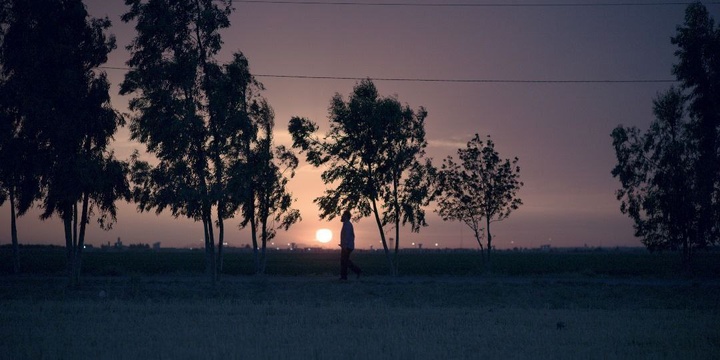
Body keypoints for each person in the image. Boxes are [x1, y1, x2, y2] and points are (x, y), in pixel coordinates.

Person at [339, 210, 361, 280]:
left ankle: (346, 276)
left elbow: (347, 236)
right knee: (345, 261)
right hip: (346, 246)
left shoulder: (347, 225)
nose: (342, 216)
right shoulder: (346, 224)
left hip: (347, 246)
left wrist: (344, 245)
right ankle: (346, 275)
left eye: (343, 215)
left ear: (346, 217)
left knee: (344, 261)